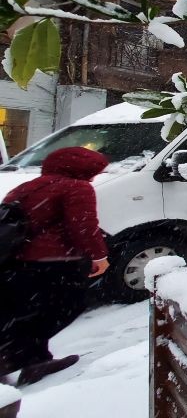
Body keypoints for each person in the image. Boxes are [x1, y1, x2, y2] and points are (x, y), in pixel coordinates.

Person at [0, 147, 110, 386]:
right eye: (94, 172)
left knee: (25, 312)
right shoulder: (77, 187)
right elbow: (83, 225)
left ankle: (35, 361)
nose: (94, 177)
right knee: (66, 306)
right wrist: (98, 256)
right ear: (81, 169)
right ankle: (14, 357)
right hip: (56, 262)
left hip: (16, 260)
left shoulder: (26, 187)